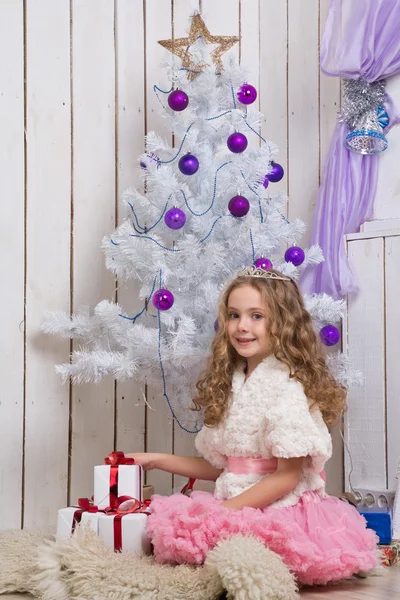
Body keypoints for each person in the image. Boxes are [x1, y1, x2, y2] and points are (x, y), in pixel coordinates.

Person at [128, 266, 379, 585]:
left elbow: (286, 477)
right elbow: (226, 467)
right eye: (234, 315)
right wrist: (155, 460)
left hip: (281, 510)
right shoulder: (233, 384)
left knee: (234, 561)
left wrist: (223, 514)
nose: (241, 326)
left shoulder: (285, 388)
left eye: (256, 316)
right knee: (173, 538)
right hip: (238, 504)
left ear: (282, 322)